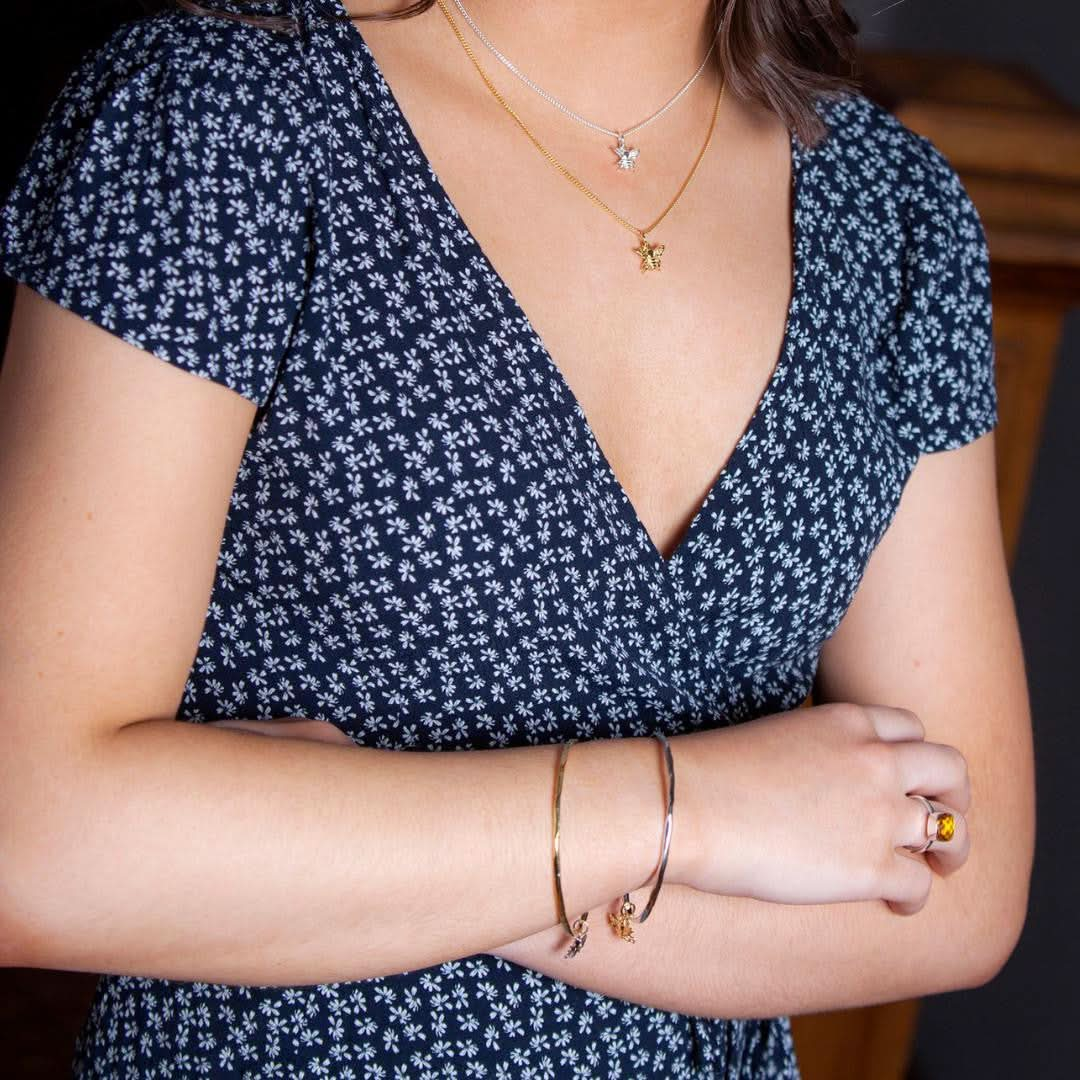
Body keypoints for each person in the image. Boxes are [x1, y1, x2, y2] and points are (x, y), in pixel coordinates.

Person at [0, 0, 1035, 1075]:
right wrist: (686, 811)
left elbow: (968, 881)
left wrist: (390, 862)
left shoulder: (897, 215)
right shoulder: (226, 109)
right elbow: (37, 844)